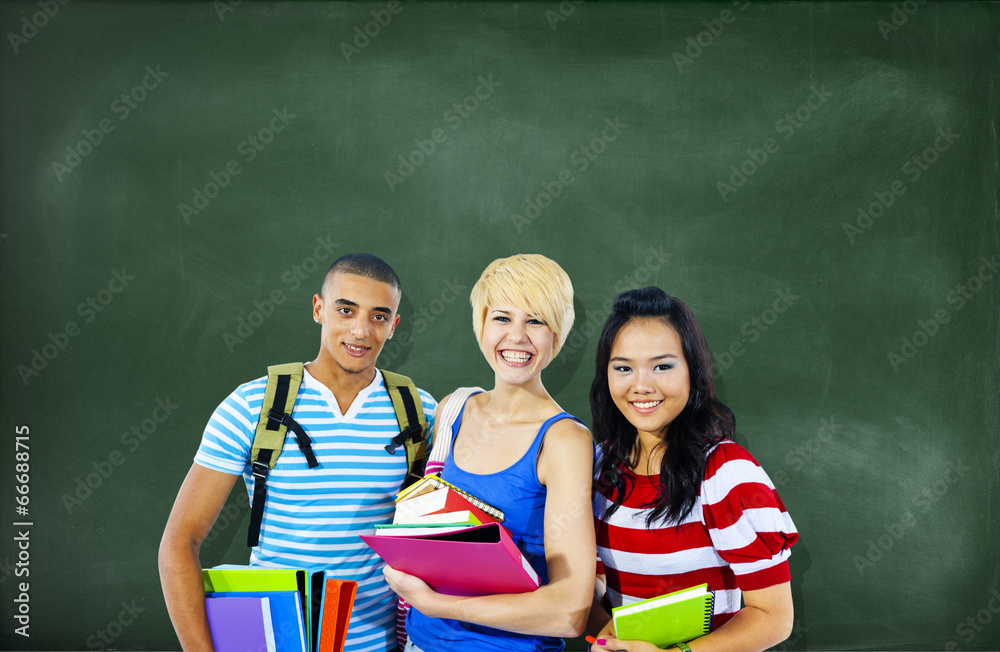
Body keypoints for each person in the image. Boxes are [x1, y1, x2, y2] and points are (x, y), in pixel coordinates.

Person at [158, 253, 437, 652]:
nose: (360, 330)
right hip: (269, 643)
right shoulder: (251, 406)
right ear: (318, 309)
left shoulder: (421, 412)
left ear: (393, 326)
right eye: (346, 310)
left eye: (378, 316)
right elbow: (179, 543)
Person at [384, 254, 597, 652]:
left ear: (558, 334)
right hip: (418, 644)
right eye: (502, 317)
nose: (517, 336)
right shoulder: (453, 410)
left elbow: (569, 613)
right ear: (481, 326)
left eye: (535, 320)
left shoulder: (565, 441)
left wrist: (436, 603)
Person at [587, 287, 798, 652]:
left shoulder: (725, 473)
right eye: (623, 368)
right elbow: (589, 588)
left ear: (692, 371)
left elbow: (773, 618)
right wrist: (607, 634)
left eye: (662, 366)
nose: (641, 386)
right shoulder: (599, 467)